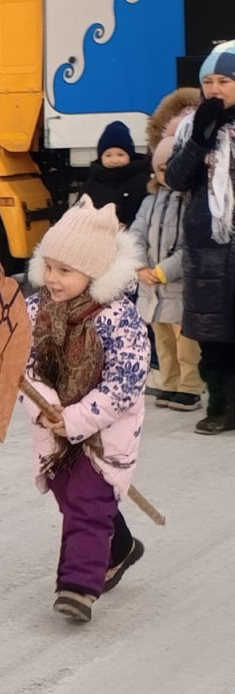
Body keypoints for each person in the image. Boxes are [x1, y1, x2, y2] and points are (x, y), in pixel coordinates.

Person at [21, 196, 150, 623]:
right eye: (50, 267)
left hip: (103, 430)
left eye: (65, 270)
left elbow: (125, 385)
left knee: (87, 503)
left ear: (94, 272)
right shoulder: (38, 309)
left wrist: (75, 419)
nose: (53, 279)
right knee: (70, 495)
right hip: (53, 426)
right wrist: (44, 405)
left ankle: (78, 587)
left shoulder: (118, 318)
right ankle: (120, 546)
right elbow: (22, 364)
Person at [166, 40, 235, 435]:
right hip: (207, 248)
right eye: (208, 81)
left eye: (224, 80)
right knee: (214, 337)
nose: (215, 89)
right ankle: (220, 407)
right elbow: (174, 179)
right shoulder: (194, 126)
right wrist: (201, 138)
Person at [131, 133, 204, 411]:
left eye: (174, 168)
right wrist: (140, 266)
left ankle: (190, 386)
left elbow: (192, 244)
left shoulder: (191, 201)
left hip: (177, 285)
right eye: (162, 170)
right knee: (162, 340)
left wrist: (163, 270)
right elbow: (136, 234)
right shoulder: (150, 201)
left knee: (186, 342)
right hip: (152, 287)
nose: (168, 175)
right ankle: (170, 383)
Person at [79, 120, 152, 227]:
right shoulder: (91, 184)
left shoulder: (142, 181)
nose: (114, 160)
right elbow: (79, 213)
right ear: (100, 157)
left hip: (132, 236)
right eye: (108, 155)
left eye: (120, 155)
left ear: (130, 155)